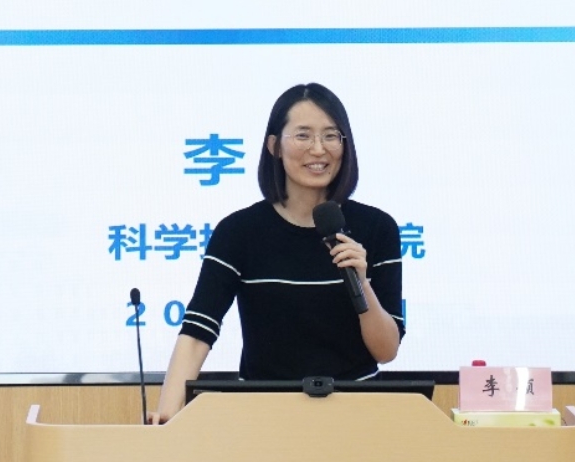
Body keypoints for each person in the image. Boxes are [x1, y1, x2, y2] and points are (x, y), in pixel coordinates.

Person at [148, 83, 405, 423]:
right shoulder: (239, 232)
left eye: (331, 136)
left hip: (358, 418)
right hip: (263, 418)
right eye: (303, 135)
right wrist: (167, 418)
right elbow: (197, 334)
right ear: (274, 146)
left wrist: (362, 283)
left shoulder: (377, 228)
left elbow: (386, 351)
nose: (318, 149)